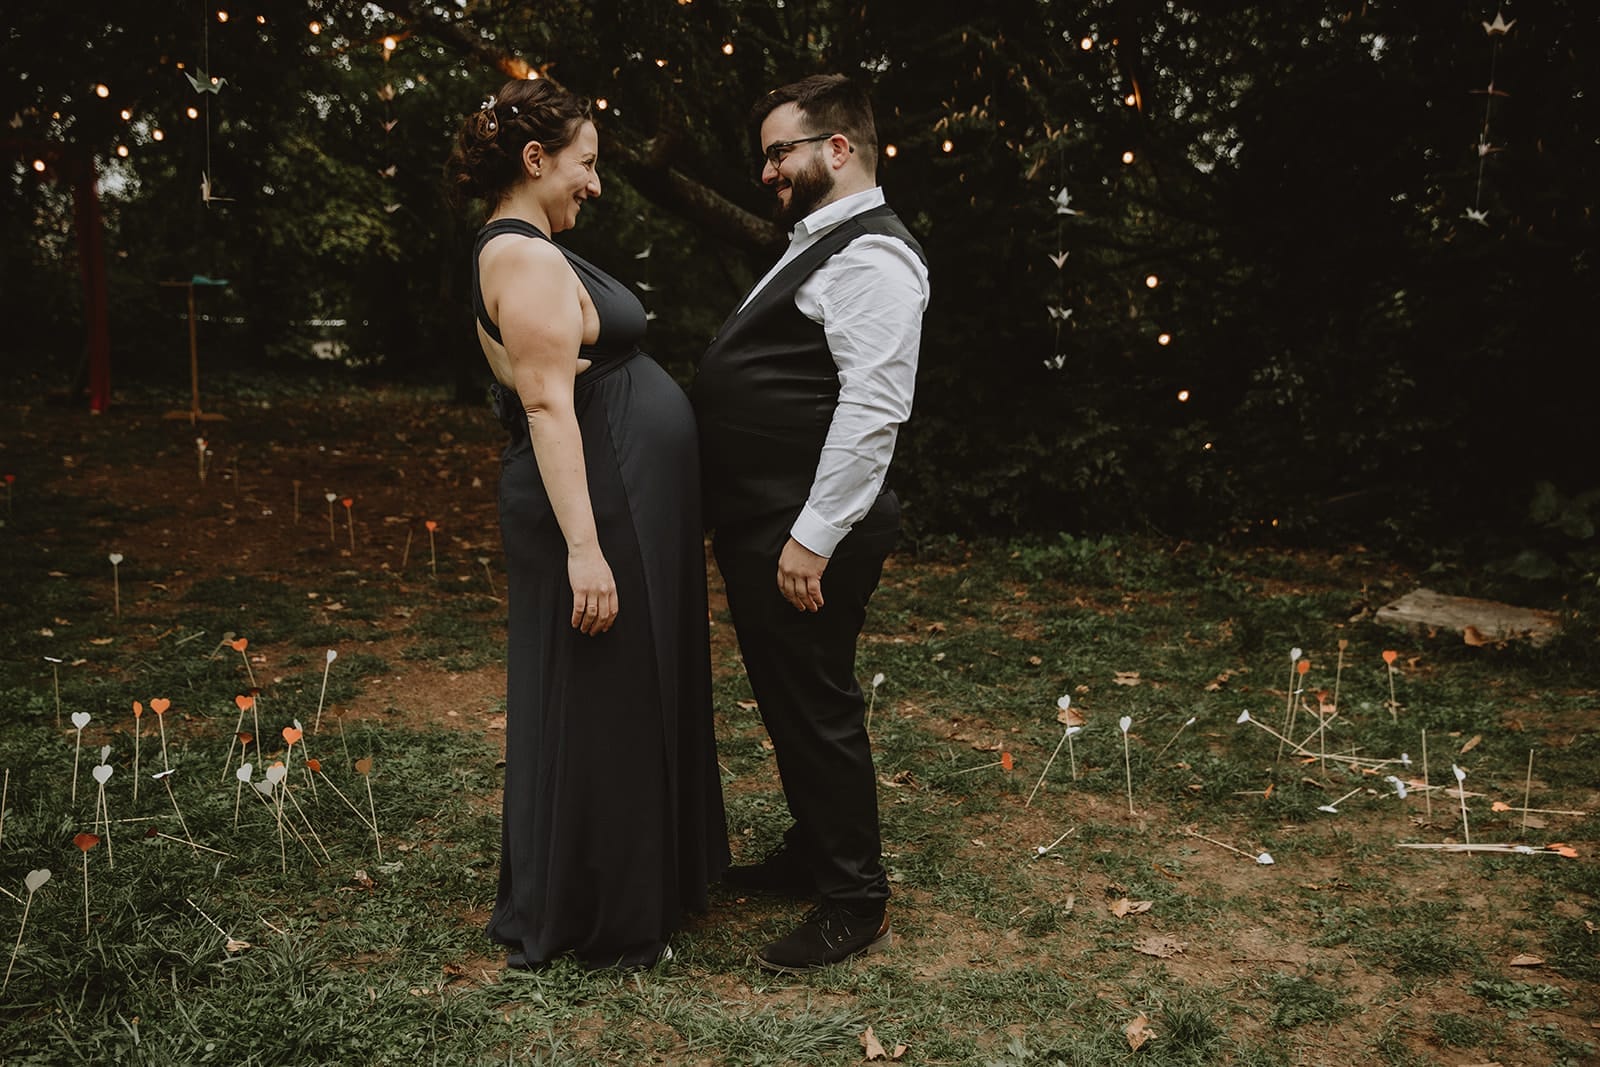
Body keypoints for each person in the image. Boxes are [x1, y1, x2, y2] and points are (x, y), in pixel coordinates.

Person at [446, 78, 728, 970]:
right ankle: (602, 908)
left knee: (621, 690)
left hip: (617, 491)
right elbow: (545, 404)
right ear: (536, 160)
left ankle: (631, 885)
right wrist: (585, 549)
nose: (597, 184)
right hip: (595, 503)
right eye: (587, 163)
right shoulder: (524, 258)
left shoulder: (526, 250)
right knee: (605, 696)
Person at [691, 74, 930, 973]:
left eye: (778, 152)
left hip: (804, 530)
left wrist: (812, 535)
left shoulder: (874, 258)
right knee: (789, 698)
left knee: (815, 703)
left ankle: (855, 899)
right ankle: (813, 849)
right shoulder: (823, 243)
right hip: (770, 519)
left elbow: (873, 408)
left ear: (837, 148)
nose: (767, 172)